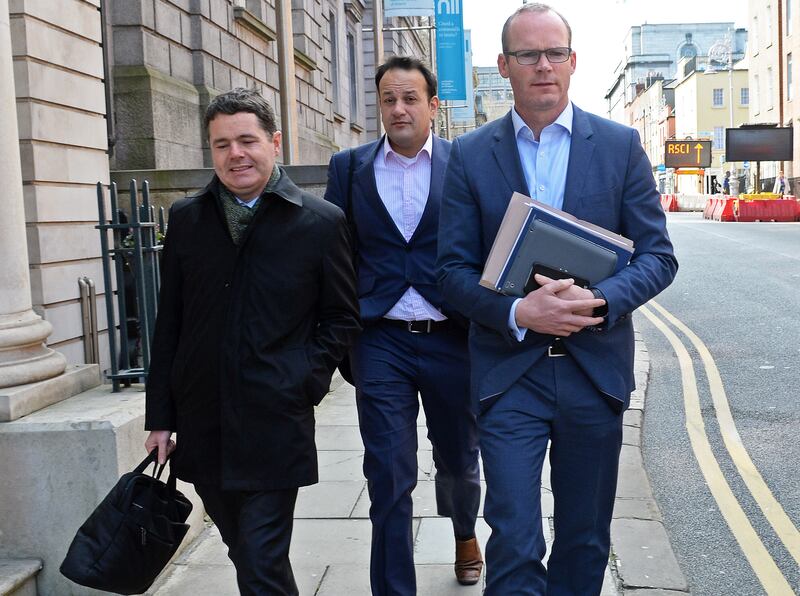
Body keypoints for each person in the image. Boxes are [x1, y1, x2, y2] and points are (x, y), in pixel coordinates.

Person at [436, 5, 678, 595]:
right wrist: (518, 312)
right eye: (528, 54)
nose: (543, 66)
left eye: (554, 53)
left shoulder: (620, 146)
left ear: (573, 61)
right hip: (509, 374)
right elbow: (450, 272)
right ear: (504, 65)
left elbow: (658, 257)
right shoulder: (469, 154)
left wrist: (597, 300)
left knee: (584, 540)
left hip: (593, 374)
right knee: (515, 540)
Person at [144, 88, 360, 596]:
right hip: (204, 420)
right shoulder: (187, 219)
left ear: (274, 143)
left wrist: (303, 379)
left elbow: (342, 318)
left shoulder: (320, 222)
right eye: (222, 145)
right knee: (245, 552)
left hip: (274, 421)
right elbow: (169, 322)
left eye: (247, 141)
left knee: (261, 559)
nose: (235, 154)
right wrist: (160, 416)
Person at [325, 56, 482, 594]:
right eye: (388, 99)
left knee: (459, 458)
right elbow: (333, 252)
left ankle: (465, 531)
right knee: (388, 472)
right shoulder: (348, 169)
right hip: (381, 339)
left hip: (451, 336)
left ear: (432, 106)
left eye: (410, 98)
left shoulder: (465, 163)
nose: (398, 108)